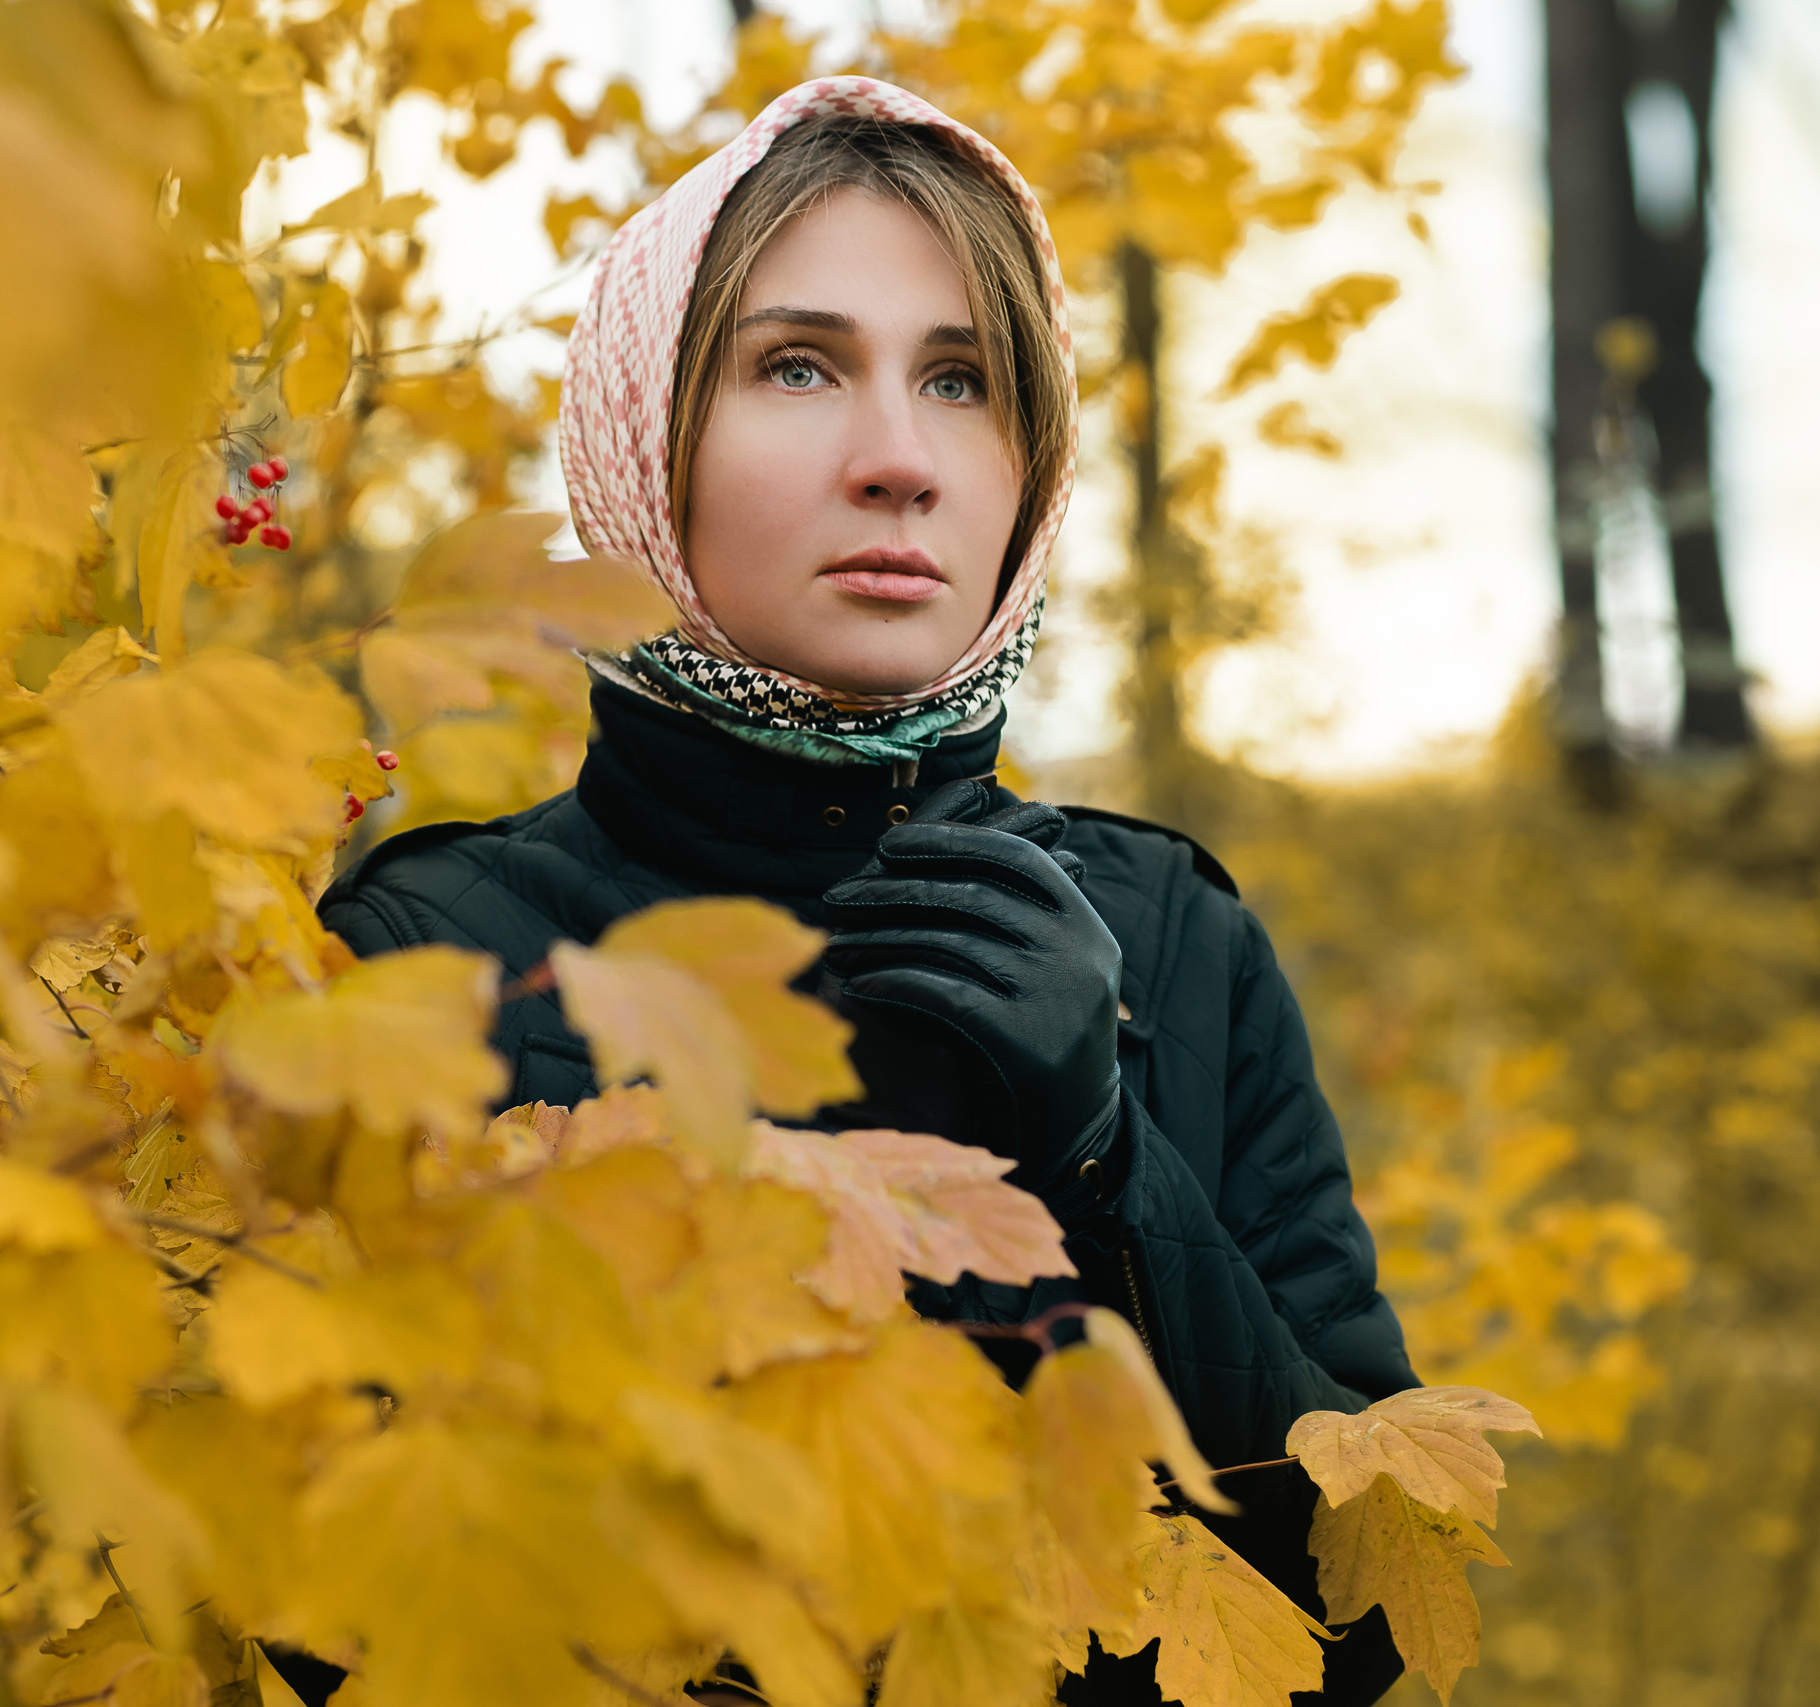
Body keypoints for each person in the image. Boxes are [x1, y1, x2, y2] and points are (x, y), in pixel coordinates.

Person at [316, 77, 1418, 1707]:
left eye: (964, 380)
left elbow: (1359, 1631)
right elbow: (319, 1625)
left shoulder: (1174, 937)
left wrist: (1108, 1162)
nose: (901, 460)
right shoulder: (421, 958)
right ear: (642, 435)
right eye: (798, 365)